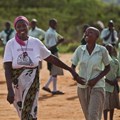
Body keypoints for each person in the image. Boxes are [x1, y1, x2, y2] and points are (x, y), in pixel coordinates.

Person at [3, 16, 82, 120]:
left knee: (30, 111)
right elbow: (7, 68)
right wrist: (10, 90)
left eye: (24, 25)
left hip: (32, 82)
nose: (21, 28)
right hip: (16, 84)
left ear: (28, 26)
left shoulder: (35, 42)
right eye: (18, 26)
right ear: (15, 28)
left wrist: (70, 69)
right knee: (22, 111)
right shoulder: (11, 44)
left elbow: (51, 58)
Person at [71, 27, 110, 120]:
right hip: (82, 88)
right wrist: (76, 77)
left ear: (97, 36)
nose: (87, 34)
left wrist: (96, 79)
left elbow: (108, 67)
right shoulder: (80, 50)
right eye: (86, 32)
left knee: (93, 116)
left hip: (97, 86)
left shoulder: (102, 50)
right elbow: (72, 67)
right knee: (88, 116)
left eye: (90, 32)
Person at [42, 18, 65, 95]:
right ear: (50, 24)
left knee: (54, 71)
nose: (56, 25)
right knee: (54, 71)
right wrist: (59, 42)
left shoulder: (51, 31)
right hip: (53, 52)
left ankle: (47, 86)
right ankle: (54, 89)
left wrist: (59, 39)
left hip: (51, 52)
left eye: (56, 23)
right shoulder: (50, 33)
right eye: (54, 23)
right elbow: (51, 47)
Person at [103, 44, 120, 120]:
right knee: (105, 105)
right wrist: (108, 81)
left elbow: (118, 74)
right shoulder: (102, 60)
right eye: (107, 48)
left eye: (110, 48)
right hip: (104, 85)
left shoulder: (116, 61)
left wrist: (115, 81)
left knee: (112, 105)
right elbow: (99, 73)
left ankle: (111, 118)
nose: (108, 50)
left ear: (112, 49)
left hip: (113, 86)